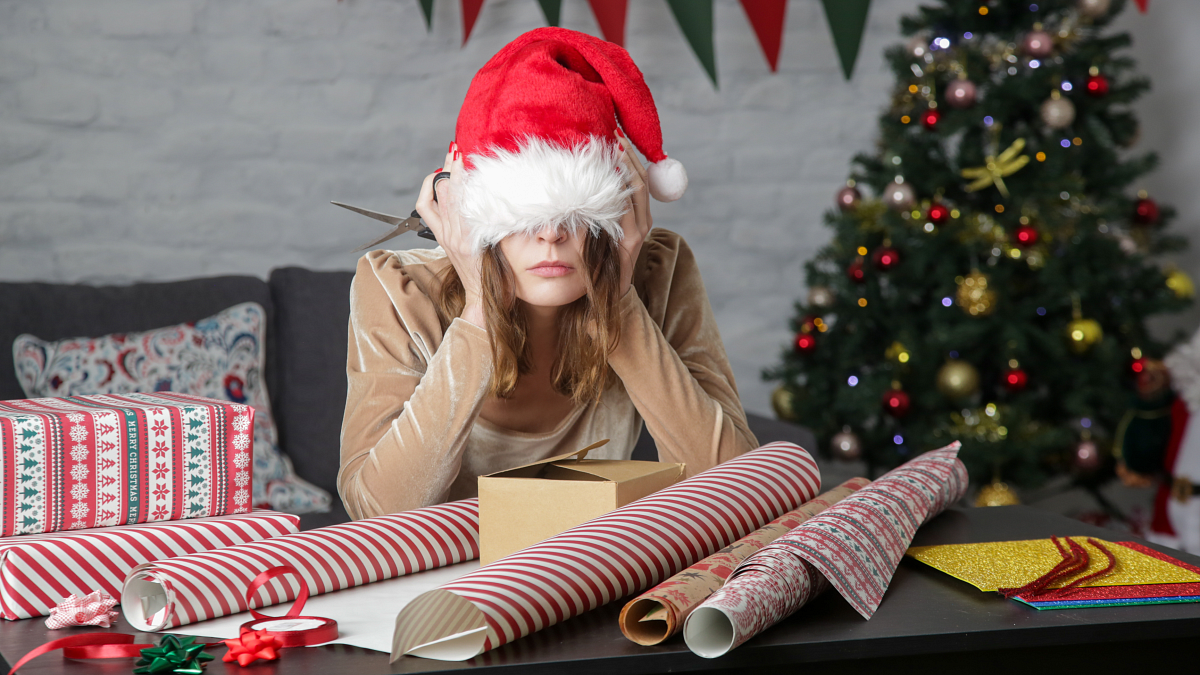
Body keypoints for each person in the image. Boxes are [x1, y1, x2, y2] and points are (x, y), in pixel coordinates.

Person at [338, 27, 758, 519]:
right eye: (521, 212)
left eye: (578, 210)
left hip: (592, 576)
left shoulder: (658, 271)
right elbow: (375, 512)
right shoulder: (396, 288)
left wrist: (618, 301)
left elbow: (737, 489)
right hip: (451, 585)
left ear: (615, 210)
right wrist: (478, 309)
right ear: (476, 213)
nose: (552, 235)